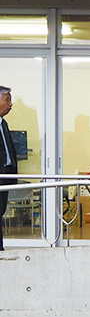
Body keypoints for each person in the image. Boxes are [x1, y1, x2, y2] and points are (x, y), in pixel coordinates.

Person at [0, 86, 18, 251]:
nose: (10, 104)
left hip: (5, 177)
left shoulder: (3, 124)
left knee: (1, 211)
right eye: (7, 100)